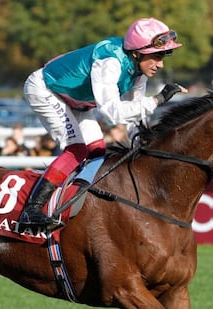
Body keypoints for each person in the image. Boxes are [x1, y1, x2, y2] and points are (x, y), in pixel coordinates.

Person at [18, 17, 187, 227]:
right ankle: (31, 210)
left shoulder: (139, 73)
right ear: (137, 52)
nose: (160, 64)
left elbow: (133, 116)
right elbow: (112, 113)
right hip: (44, 89)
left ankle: (74, 201)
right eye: (157, 56)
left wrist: (142, 141)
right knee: (77, 149)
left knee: (97, 150)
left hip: (75, 101)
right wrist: (157, 100)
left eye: (164, 56)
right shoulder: (110, 61)